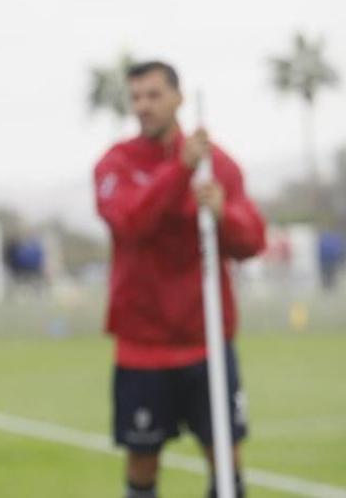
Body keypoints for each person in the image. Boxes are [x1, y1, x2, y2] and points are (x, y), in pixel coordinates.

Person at [93, 61, 266, 498]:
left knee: (226, 460)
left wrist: (223, 213)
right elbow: (130, 222)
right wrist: (178, 173)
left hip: (206, 340)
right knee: (142, 462)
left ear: (178, 98)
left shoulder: (217, 164)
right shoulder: (117, 163)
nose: (144, 106)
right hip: (142, 347)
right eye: (136, 97)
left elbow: (252, 241)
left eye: (153, 95)